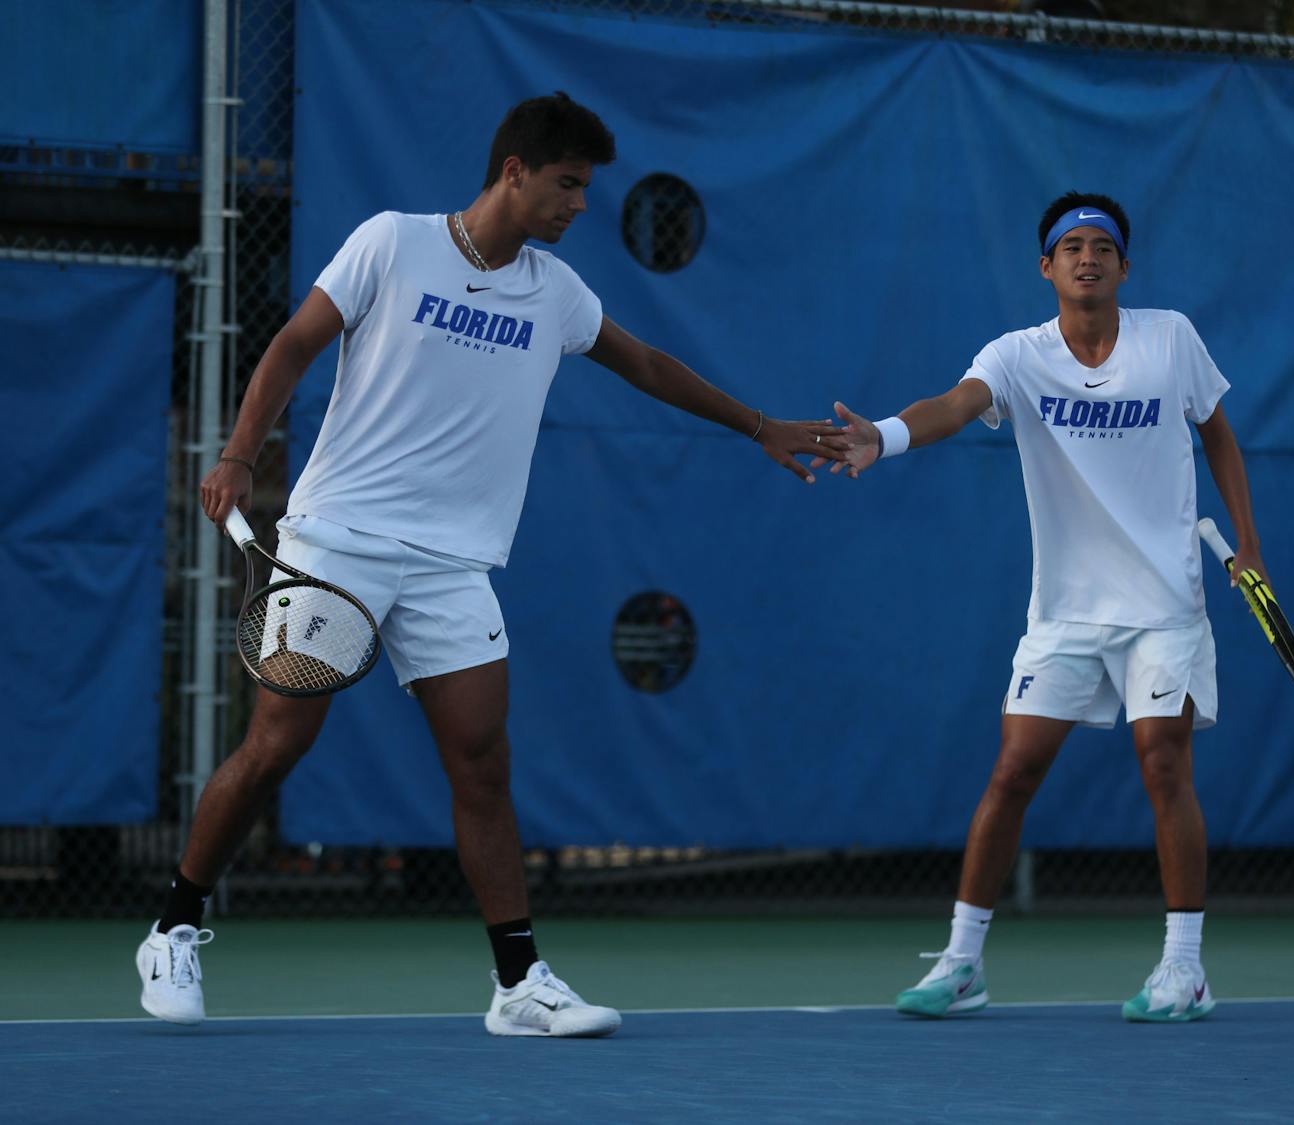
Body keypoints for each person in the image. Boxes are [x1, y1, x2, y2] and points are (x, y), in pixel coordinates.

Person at [136, 91, 847, 1038]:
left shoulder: (554, 292)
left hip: (451, 565)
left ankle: (519, 983)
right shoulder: (392, 241)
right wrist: (236, 453)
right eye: (567, 184)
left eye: (585, 188)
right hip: (339, 536)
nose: (580, 204)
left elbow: (645, 363)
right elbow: (295, 342)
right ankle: (174, 926)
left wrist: (759, 425)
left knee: (482, 763)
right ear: (514, 172)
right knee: (277, 746)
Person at [818, 192, 1267, 1023]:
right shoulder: (1017, 356)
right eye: (1072, 247)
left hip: (1166, 601)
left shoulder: (1171, 340)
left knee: (1164, 764)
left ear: (1124, 267)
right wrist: (884, 434)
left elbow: (1218, 434)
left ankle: (1184, 967)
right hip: (1064, 612)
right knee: (1013, 769)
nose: (1087, 257)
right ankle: (962, 963)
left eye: (1103, 247)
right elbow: (953, 405)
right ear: (1047, 267)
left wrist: (1249, 542)